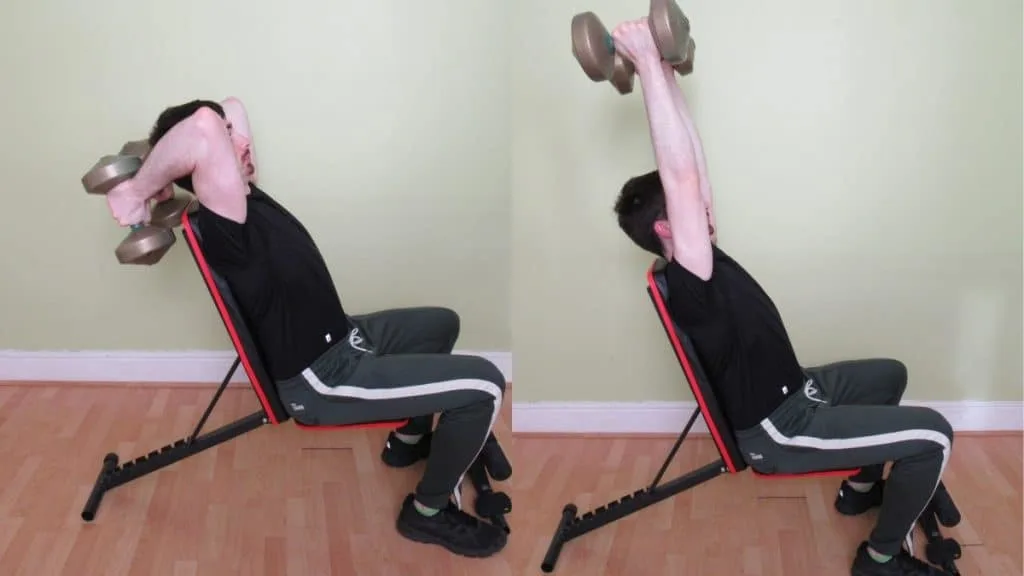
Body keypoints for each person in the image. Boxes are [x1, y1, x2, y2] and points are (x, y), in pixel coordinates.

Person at [609, 19, 955, 576]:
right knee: (934, 436)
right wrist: (647, 63)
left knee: (889, 374)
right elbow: (683, 179)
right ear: (667, 230)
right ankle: (881, 557)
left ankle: (860, 488)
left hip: (799, 386)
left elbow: (690, 171)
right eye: (685, 203)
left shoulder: (701, 253)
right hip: (782, 428)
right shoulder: (692, 284)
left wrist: (668, 73)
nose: (700, 198)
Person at [103, 97, 508, 558]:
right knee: (486, 385)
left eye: (233, 130)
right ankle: (428, 512)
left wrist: (157, 169)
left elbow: (224, 110)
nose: (240, 138)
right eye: (226, 133)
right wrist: (137, 189)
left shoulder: (244, 192)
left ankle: (407, 442)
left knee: (441, 325)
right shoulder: (226, 221)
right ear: (200, 167)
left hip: (346, 335)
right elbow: (200, 130)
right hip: (324, 379)